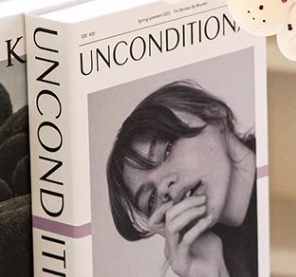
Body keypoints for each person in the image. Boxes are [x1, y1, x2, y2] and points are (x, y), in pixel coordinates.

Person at [106, 80, 258, 277]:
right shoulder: (211, 262)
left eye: (167, 150)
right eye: (151, 199)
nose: (163, 187)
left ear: (213, 114)